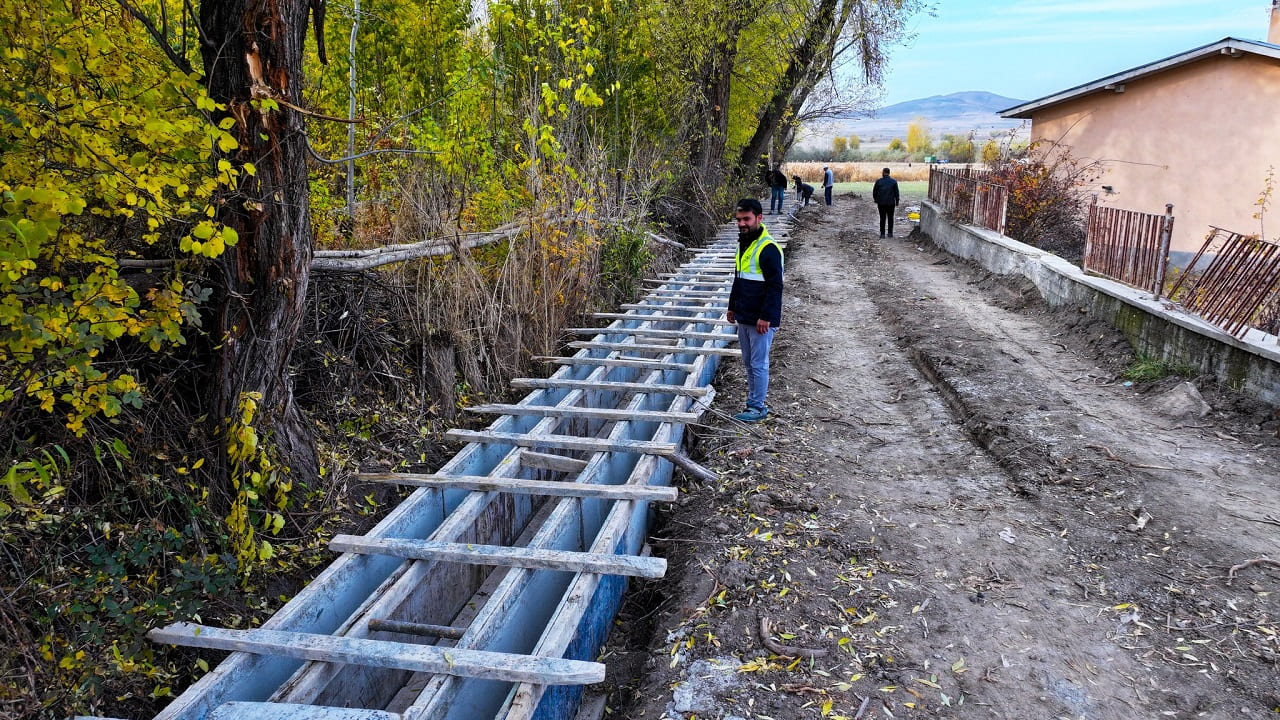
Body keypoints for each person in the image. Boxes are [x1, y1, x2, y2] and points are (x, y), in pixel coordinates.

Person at [726, 198, 783, 423]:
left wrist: (766, 316)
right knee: (749, 363)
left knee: (759, 364)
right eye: (739, 219)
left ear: (759, 218)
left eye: (746, 219)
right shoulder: (744, 244)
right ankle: (752, 402)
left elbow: (775, 286)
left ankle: (757, 406)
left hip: (761, 319)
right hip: (745, 315)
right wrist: (732, 307)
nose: (742, 223)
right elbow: (738, 280)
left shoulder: (768, 249)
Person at [872, 167, 900, 238]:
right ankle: (890, 233)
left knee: (882, 218)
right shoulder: (893, 181)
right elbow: (896, 193)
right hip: (891, 203)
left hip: (881, 203)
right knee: (890, 218)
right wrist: (897, 201)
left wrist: (876, 199)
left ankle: (882, 234)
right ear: (889, 173)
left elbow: (874, 192)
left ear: (883, 172)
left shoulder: (879, 181)